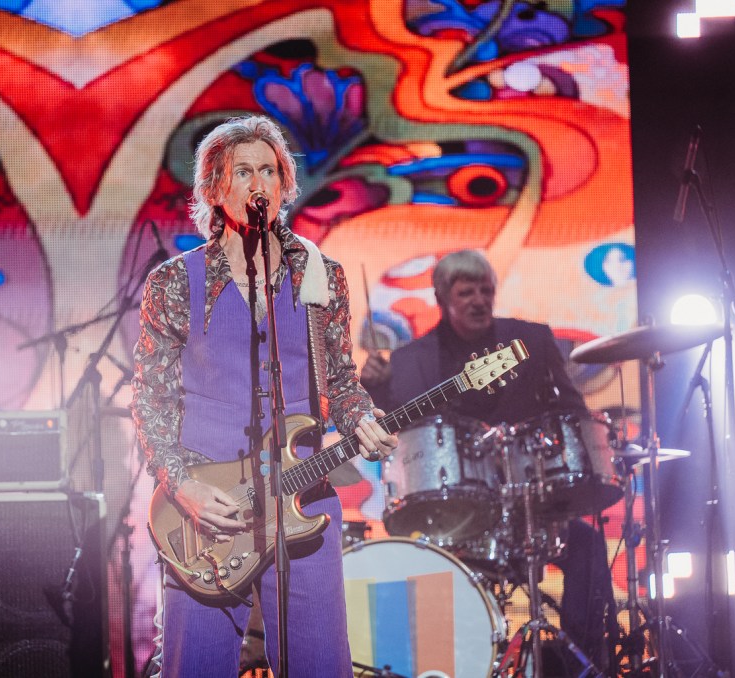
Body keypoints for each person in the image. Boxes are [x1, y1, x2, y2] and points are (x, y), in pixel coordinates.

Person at [130, 115, 396, 677]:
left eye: (270, 171)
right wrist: (183, 485)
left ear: (285, 184)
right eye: (244, 171)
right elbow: (151, 402)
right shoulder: (174, 282)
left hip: (301, 496)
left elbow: (339, 382)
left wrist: (360, 419)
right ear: (214, 188)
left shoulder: (321, 276)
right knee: (195, 667)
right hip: (208, 510)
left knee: (319, 666)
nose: (260, 185)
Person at [361, 249, 620, 672]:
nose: (480, 300)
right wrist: (376, 390)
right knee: (419, 564)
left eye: (486, 291)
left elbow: (570, 410)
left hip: (532, 504)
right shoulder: (410, 360)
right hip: (454, 517)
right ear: (442, 298)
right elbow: (397, 434)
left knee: (588, 546)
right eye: (467, 293)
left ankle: (586, 663)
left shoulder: (531, 340)